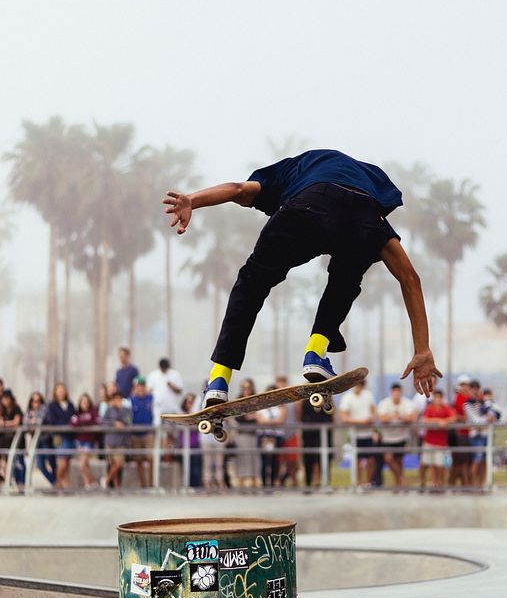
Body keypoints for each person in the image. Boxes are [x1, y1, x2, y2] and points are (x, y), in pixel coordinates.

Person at [162, 149, 440, 407]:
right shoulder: (369, 205)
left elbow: (238, 189)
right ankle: (315, 353)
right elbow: (410, 278)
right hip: (362, 220)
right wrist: (422, 349)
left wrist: (192, 200)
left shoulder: (292, 171)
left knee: (252, 282)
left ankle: (219, 379)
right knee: (347, 276)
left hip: (306, 207)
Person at [339, 378, 377, 488]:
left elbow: (374, 411)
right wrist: (361, 422)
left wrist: (371, 420)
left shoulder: (368, 395)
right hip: (354, 435)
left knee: (370, 460)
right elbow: (344, 418)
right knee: (357, 461)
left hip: (368, 434)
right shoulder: (347, 398)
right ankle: (358, 483)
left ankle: (368, 483)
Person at [377, 383, 416, 488]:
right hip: (387, 438)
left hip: (401, 437)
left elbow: (410, 418)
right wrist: (396, 417)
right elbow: (382, 419)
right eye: (394, 392)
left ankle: (398, 484)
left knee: (399, 461)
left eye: (398, 392)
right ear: (391, 393)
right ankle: (402, 479)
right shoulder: (384, 403)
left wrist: (396, 417)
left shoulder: (407, 402)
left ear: (401, 393)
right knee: (388, 459)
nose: (396, 395)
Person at [420, 389, 455, 491]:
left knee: (440, 465)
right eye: (436, 397)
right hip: (429, 441)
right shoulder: (429, 408)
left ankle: (441, 484)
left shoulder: (446, 408)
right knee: (431, 465)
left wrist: (445, 421)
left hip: (441, 442)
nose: (438, 399)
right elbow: (425, 420)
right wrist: (438, 421)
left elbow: (453, 417)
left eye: (440, 397)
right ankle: (433, 484)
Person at [463, 380, 496, 487]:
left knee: (484, 462)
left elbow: (493, 415)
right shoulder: (467, 404)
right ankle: (472, 485)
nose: (475, 391)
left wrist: (488, 419)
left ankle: (481, 484)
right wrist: (486, 420)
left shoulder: (484, 402)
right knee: (476, 460)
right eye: (472, 389)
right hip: (475, 436)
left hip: (485, 435)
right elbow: (475, 420)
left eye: (476, 389)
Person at [44, 383, 76, 492]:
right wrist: (66, 423)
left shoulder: (70, 404)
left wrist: (69, 423)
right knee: (62, 461)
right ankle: (57, 484)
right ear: (55, 392)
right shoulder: (52, 405)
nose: (61, 392)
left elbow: (74, 418)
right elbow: (52, 421)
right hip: (59, 436)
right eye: (59, 390)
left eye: (63, 390)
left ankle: (66, 485)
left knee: (67, 462)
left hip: (70, 436)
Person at [299, 395, 334, 490]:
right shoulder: (306, 400)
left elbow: (330, 417)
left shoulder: (327, 400)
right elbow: (302, 417)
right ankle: (308, 483)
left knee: (324, 459)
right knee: (308, 459)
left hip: (324, 434)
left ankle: (326, 483)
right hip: (309, 435)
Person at [230, 378, 260, 488]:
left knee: (253, 459)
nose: (246, 390)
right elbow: (237, 418)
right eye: (244, 388)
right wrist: (249, 417)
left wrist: (252, 417)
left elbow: (258, 417)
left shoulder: (256, 400)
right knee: (242, 459)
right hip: (241, 434)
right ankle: (241, 483)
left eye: (248, 388)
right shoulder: (238, 400)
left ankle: (254, 482)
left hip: (253, 434)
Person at [100, 391, 132, 490]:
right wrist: (114, 423)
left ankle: (106, 479)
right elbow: (103, 422)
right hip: (110, 440)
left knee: (119, 463)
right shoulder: (109, 410)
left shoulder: (126, 410)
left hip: (121, 441)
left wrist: (121, 422)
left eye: (120, 399)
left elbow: (128, 421)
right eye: (116, 399)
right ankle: (116, 487)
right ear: (112, 400)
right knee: (112, 464)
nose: (118, 401)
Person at [256, 387, 286, 490]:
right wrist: (273, 422)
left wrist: (268, 422)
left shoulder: (281, 406)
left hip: (276, 436)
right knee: (264, 462)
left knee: (274, 462)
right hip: (264, 436)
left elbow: (280, 420)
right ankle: (264, 485)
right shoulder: (262, 406)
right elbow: (260, 420)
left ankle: (273, 484)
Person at [24, 391, 55, 487]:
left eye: (37, 401)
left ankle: (58, 484)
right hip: (36, 442)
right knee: (41, 465)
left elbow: (40, 422)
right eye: (33, 401)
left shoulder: (45, 409)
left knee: (52, 462)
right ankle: (55, 483)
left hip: (45, 440)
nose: (35, 403)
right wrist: (33, 421)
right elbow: (25, 423)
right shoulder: (29, 411)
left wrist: (33, 420)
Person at [70, 393, 100, 490]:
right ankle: (93, 483)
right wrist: (84, 421)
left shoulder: (93, 411)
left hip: (89, 441)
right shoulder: (77, 413)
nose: (85, 404)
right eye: (83, 402)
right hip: (79, 441)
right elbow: (72, 423)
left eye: (86, 402)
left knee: (82, 464)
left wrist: (81, 422)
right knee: (85, 464)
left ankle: (88, 484)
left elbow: (96, 422)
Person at [0, 389, 24, 487]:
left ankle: (21, 484)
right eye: (3, 399)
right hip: (6, 440)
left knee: (19, 463)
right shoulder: (2, 410)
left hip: (17, 440)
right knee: (8, 463)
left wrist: (5, 424)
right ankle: (10, 483)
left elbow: (16, 422)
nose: (5, 401)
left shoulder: (16, 408)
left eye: (7, 399)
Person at [130, 377, 154, 488]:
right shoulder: (131, 400)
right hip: (136, 434)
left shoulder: (150, 398)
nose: (141, 388)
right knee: (138, 460)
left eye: (142, 386)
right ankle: (143, 484)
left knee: (150, 458)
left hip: (148, 432)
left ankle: (151, 483)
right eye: (138, 386)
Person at [449, 375, 473, 487]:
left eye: (466, 384)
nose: (464, 387)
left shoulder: (470, 398)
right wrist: (465, 419)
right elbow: (456, 415)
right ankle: (462, 483)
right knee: (459, 461)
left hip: (469, 433)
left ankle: (464, 483)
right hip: (460, 433)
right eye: (462, 385)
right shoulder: (458, 398)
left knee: (466, 461)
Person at [179, 393, 203, 488]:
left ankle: (196, 486)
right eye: (188, 402)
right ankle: (187, 486)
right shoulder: (181, 414)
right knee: (185, 468)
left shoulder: (198, 415)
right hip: (184, 445)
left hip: (195, 444)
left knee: (195, 468)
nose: (190, 404)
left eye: (192, 402)